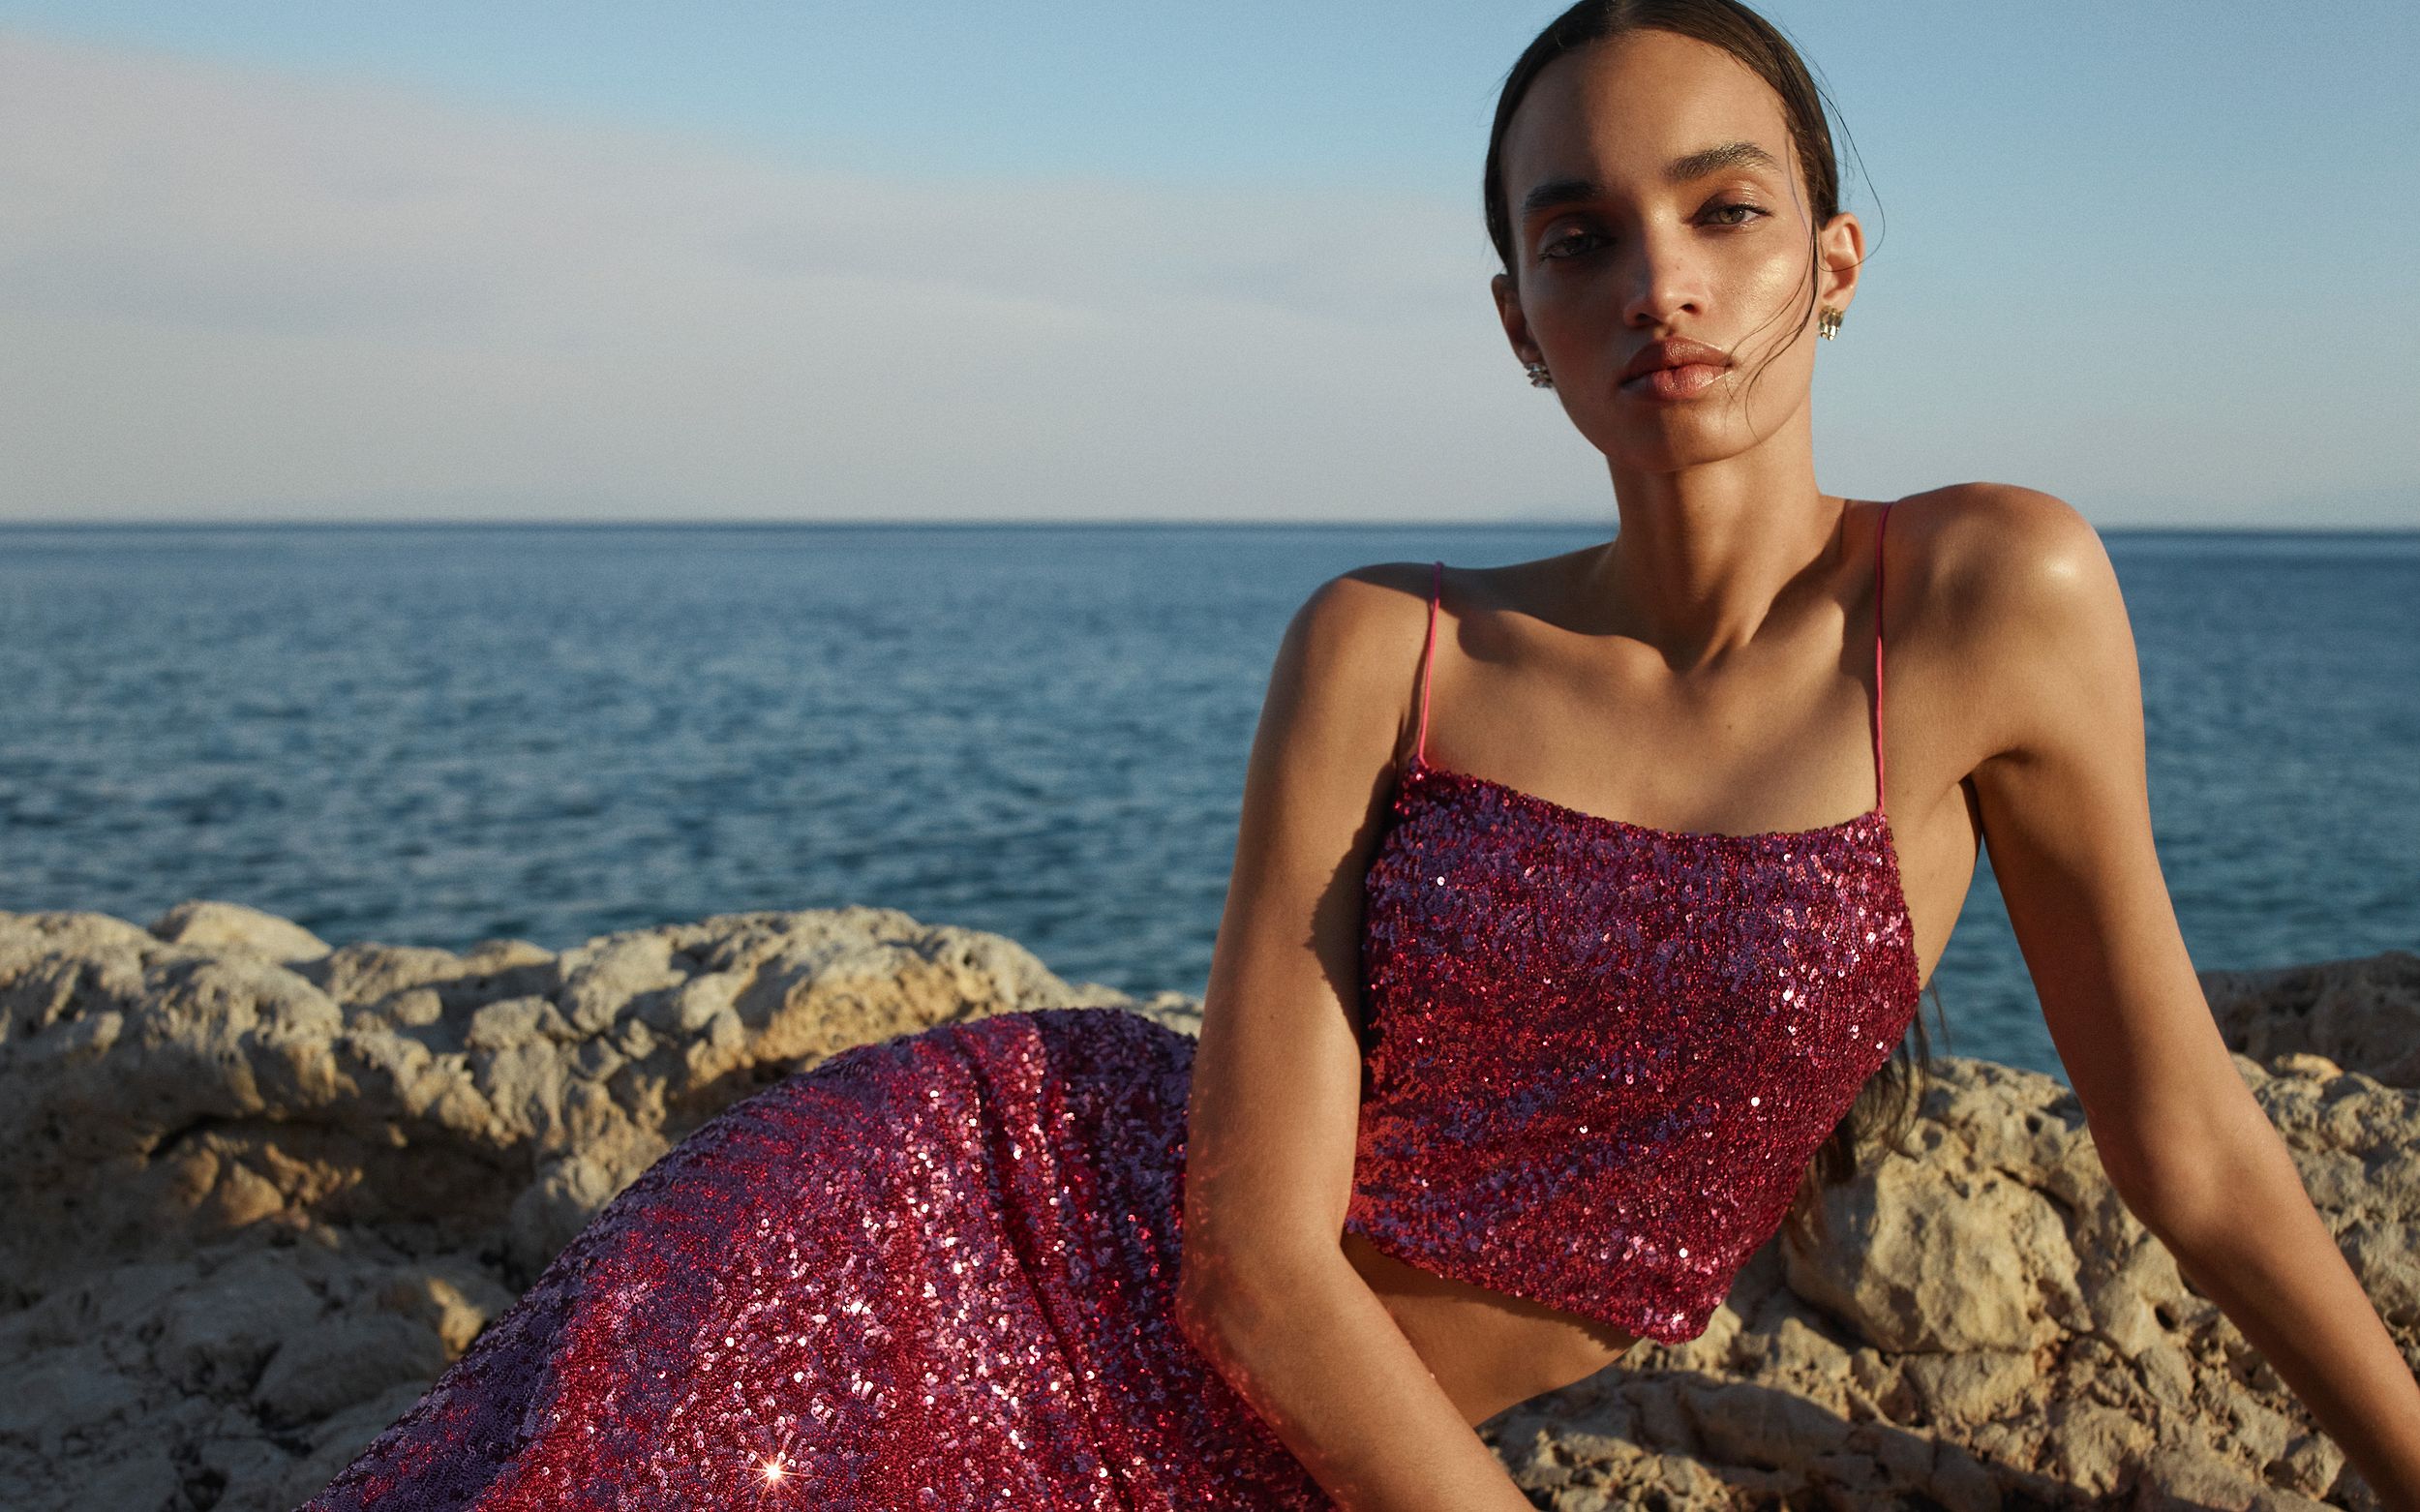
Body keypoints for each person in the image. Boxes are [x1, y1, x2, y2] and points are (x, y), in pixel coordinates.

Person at [298, 2, 2420, 1508]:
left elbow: (2187, 1145)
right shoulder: (1385, 648)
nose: (1656, 283)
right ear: (1515, 314)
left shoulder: (1981, 598)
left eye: (1723, 211)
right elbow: (1245, 1253)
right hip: (968, 1232)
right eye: (1578, 235)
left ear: (1830, 263)